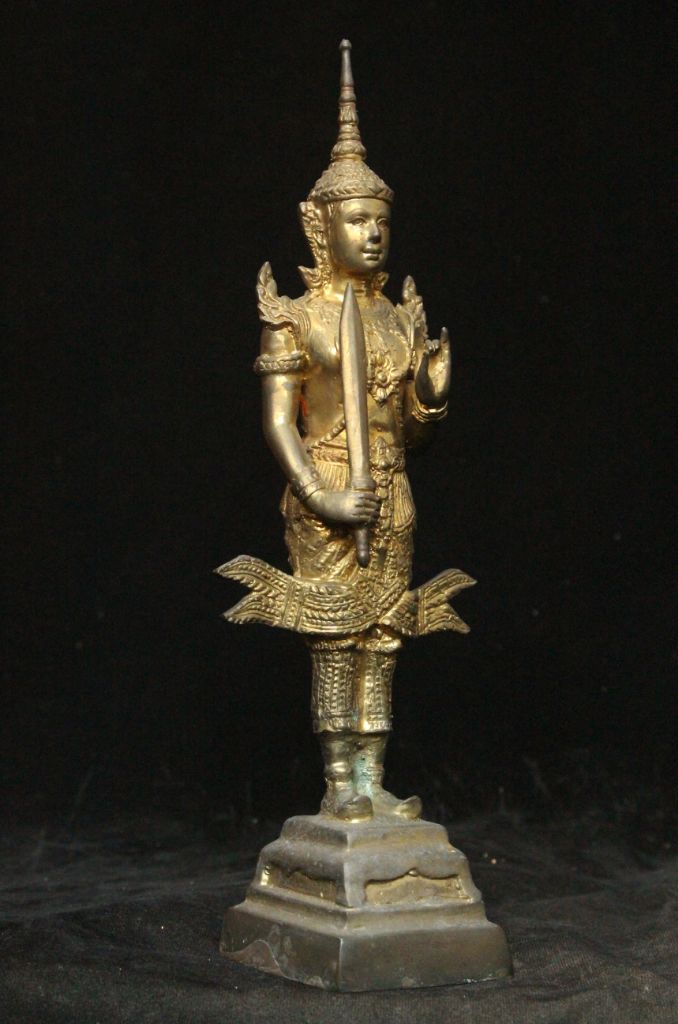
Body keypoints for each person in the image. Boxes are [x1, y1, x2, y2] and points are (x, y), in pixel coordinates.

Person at [252, 41, 451, 822]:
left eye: (381, 222)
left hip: (393, 489)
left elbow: (410, 434)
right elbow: (279, 422)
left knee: (386, 634)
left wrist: (428, 400)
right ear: (320, 225)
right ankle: (339, 783)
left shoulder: (397, 317)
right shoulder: (296, 316)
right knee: (336, 637)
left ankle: (374, 777)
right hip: (329, 484)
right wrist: (321, 496)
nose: (372, 234)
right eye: (358, 219)